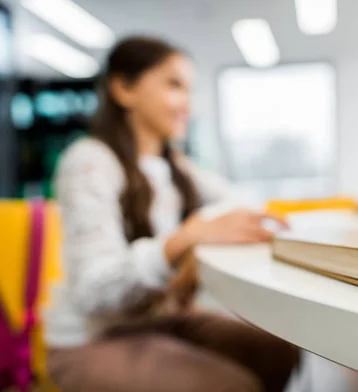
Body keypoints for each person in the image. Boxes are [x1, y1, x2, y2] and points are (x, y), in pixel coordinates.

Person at [45, 36, 299, 392]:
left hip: (157, 321)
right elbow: (93, 290)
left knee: (277, 352)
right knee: (231, 385)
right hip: (92, 339)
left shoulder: (172, 165)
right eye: (174, 85)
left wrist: (197, 245)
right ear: (123, 88)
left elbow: (240, 205)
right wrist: (184, 240)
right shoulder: (88, 161)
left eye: (190, 90)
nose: (187, 104)